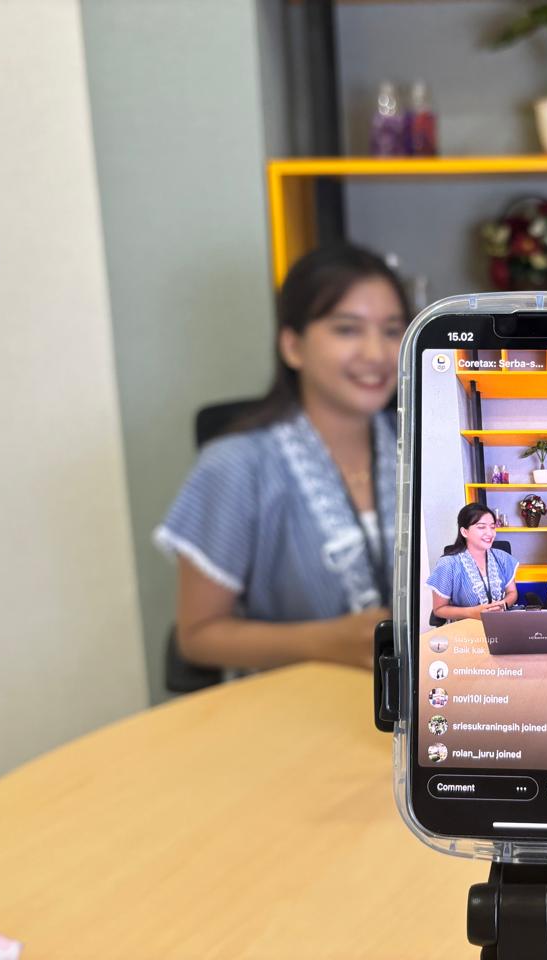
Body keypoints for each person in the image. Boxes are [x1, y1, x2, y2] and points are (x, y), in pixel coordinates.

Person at [154, 244, 410, 671]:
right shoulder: (236, 465)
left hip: (428, 696)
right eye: (347, 330)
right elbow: (197, 636)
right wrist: (323, 641)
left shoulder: (423, 444)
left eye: (392, 330)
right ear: (293, 347)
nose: (377, 354)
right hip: (295, 701)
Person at [426, 503, 519, 622]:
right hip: (464, 627)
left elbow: (512, 592)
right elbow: (439, 609)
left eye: (492, 527)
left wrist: (503, 605)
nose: (490, 533)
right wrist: (472, 613)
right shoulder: (448, 564)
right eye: (481, 527)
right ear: (464, 532)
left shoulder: (503, 557)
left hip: (500, 623)